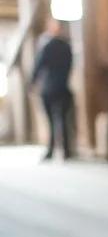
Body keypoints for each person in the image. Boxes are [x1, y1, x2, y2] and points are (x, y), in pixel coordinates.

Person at [31, 17, 75, 161]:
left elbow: (39, 65)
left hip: (51, 87)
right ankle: (65, 151)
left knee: (53, 121)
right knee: (61, 120)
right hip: (61, 86)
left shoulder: (47, 45)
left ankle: (52, 150)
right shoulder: (67, 46)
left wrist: (33, 82)